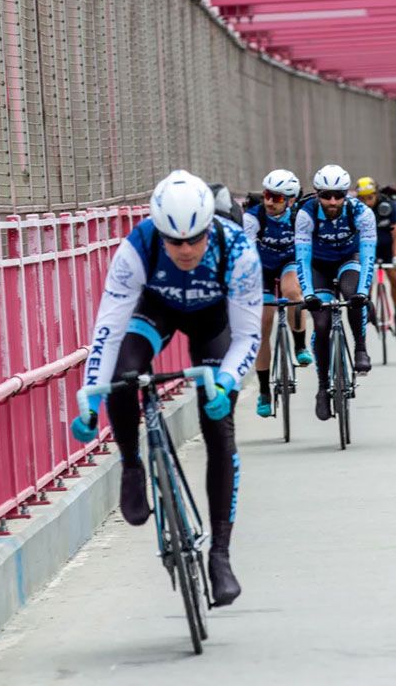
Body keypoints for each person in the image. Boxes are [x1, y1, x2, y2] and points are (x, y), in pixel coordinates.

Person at [69, 170, 263, 606]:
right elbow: (108, 329)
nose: (186, 249)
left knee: (219, 428)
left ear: (209, 226)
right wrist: (91, 397)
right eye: (174, 242)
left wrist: (227, 382)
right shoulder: (138, 248)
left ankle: (220, 556)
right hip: (156, 311)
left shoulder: (237, 250)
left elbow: (249, 336)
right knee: (124, 372)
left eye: (195, 238)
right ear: (159, 231)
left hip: (213, 322)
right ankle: (133, 464)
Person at [296, 163, 376, 421]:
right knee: (321, 324)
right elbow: (302, 258)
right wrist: (308, 294)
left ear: (347, 194)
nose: (332, 201)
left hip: (348, 259)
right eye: (326, 195)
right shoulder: (305, 214)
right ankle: (322, 388)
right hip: (318, 265)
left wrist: (364, 292)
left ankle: (360, 348)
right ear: (317, 193)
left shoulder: (361, 212)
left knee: (353, 293)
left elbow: (367, 256)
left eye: (339, 195)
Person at [243, 169, 313, 417]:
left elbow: (308, 249)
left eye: (278, 198)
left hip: (288, 262)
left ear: (291, 200)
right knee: (263, 322)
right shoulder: (253, 218)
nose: (270, 202)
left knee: (292, 291)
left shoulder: (299, 218)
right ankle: (264, 390)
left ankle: (300, 345)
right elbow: (247, 254)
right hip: (260, 267)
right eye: (267, 195)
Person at [356, 176, 396, 340]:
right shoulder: (355, 209)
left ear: (377, 194)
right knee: (365, 280)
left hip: (389, 249)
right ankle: (368, 310)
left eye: (370, 198)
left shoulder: (389, 206)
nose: (366, 202)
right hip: (366, 249)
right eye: (362, 199)